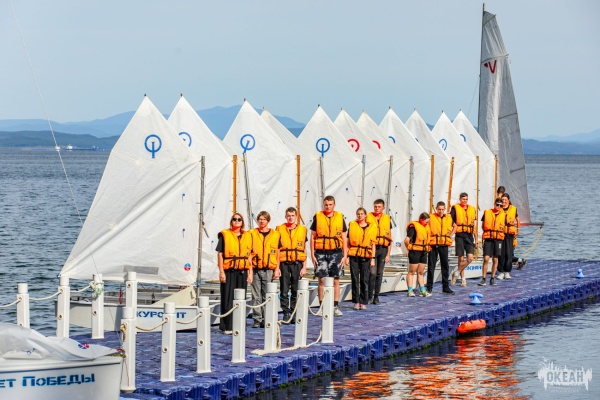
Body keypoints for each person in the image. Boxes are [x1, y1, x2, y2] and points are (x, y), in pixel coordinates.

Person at [310, 195, 348, 316]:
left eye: (330, 204)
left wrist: (345, 255)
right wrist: (312, 255)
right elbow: (312, 237)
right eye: (326, 204)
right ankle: (321, 307)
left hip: (336, 252)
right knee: (321, 280)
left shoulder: (340, 217)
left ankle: (335, 306)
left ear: (334, 205)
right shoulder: (318, 217)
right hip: (321, 252)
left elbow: (344, 238)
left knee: (336, 280)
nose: (328, 207)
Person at [216, 213, 253, 334]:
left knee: (241, 299)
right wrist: (221, 271)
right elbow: (220, 254)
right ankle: (227, 326)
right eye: (234, 219)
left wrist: (250, 273)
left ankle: (239, 325)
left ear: (242, 222)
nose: (237, 221)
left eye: (239, 219)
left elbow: (249, 256)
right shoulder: (225, 235)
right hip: (229, 271)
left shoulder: (247, 236)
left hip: (242, 271)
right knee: (227, 298)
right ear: (231, 222)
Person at [249, 211, 281, 328]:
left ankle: (267, 318)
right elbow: (248, 252)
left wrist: (277, 269)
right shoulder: (252, 234)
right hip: (255, 268)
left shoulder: (275, 234)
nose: (262, 221)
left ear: (268, 221)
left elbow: (277, 253)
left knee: (267, 295)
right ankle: (257, 319)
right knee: (256, 295)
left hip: (269, 269)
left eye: (264, 219)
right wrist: (249, 271)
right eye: (260, 219)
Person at [276, 207, 307, 324]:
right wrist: (277, 267)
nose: (290, 218)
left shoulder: (302, 230)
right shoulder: (279, 229)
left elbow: (304, 249)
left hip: (297, 263)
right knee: (284, 289)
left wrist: (304, 267)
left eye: (293, 215)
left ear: (296, 217)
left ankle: (294, 312)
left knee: (295, 289)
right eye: (288, 216)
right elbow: (278, 249)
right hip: (284, 263)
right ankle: (286, 312)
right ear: (285, 217)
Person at [347, 207, 377, 310]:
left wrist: (373, 258)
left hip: (366, 256)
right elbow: (348, 241)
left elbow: (373, 244)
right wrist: (346, 256)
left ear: (365, 215)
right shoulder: (352, 225)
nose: (360, 216)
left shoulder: (372, 227)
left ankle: (363, 301)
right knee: (355, 279)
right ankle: (356, 301)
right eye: (358, 214)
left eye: (362, 214)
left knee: (364, 279)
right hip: (354, 255)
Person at [366, 199, 392, 305]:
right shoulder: (368, 218)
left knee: (379, 274)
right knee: (372, 273)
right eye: (375, 206)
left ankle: (376, 297)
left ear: (383, 208)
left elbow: (389, 238)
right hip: (372, 248)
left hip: (383, 248)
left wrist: (388, 254)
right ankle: (369, 296)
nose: (377, 208)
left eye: (379, 207)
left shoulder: (387, 219)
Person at [426, 202, 456, 295]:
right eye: (439, 209)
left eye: (442, 209)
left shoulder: (448, 218)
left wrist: (450, 235)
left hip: (444, 244)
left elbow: (455, 226)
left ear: (445, 209)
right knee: (431, 266)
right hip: (433, 244)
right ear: (436, 208)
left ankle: (445, 287)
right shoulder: (431, 217)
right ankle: (429, 287)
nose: (441, 211)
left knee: (445, 265)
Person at [450, 193, 477, 287]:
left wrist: (476, 238)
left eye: (466, 199)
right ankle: (463, 279)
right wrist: (453, 229)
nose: (465, 201)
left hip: (469, 235)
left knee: (470, 258)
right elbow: (450, 220)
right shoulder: (455, 208)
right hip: (460, 235)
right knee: (461, 258)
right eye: (463, 199)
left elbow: (474, 225)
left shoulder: (472, 209)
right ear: (460, 199)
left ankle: (456, 272)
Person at [479, 198, 505, 286]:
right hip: (488, 238)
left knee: (495, 259)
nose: (498, 207)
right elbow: (483, 225)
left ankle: (492, 278)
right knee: (486, 258)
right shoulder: (487, 213)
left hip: (498, 239)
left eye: (500, 205)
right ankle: (483, 278)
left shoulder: (503, 215)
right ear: (494, 204)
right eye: (497, 205)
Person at [404, 212, 432, 297]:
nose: (427, 223)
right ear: (421, 220)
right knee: (412, 272)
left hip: (423, 251)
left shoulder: (426, 227)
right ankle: (410, 290)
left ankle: (422, 290)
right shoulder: (413, 227)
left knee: (420, 272)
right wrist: (409, 248)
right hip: (415, 251)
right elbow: (406, 240)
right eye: (426, 222)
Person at [497, 193, 520, 280]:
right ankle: (501, 272)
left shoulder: (513, 209)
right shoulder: (499, 208)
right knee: (500, 254)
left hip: (510, 235)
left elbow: (517, 219)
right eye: (502, 200)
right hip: (500, 234)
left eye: (505, 200)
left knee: (509, 253)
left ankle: (507, 271)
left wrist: (518, 229)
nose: (504, 201)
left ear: (508, 200)